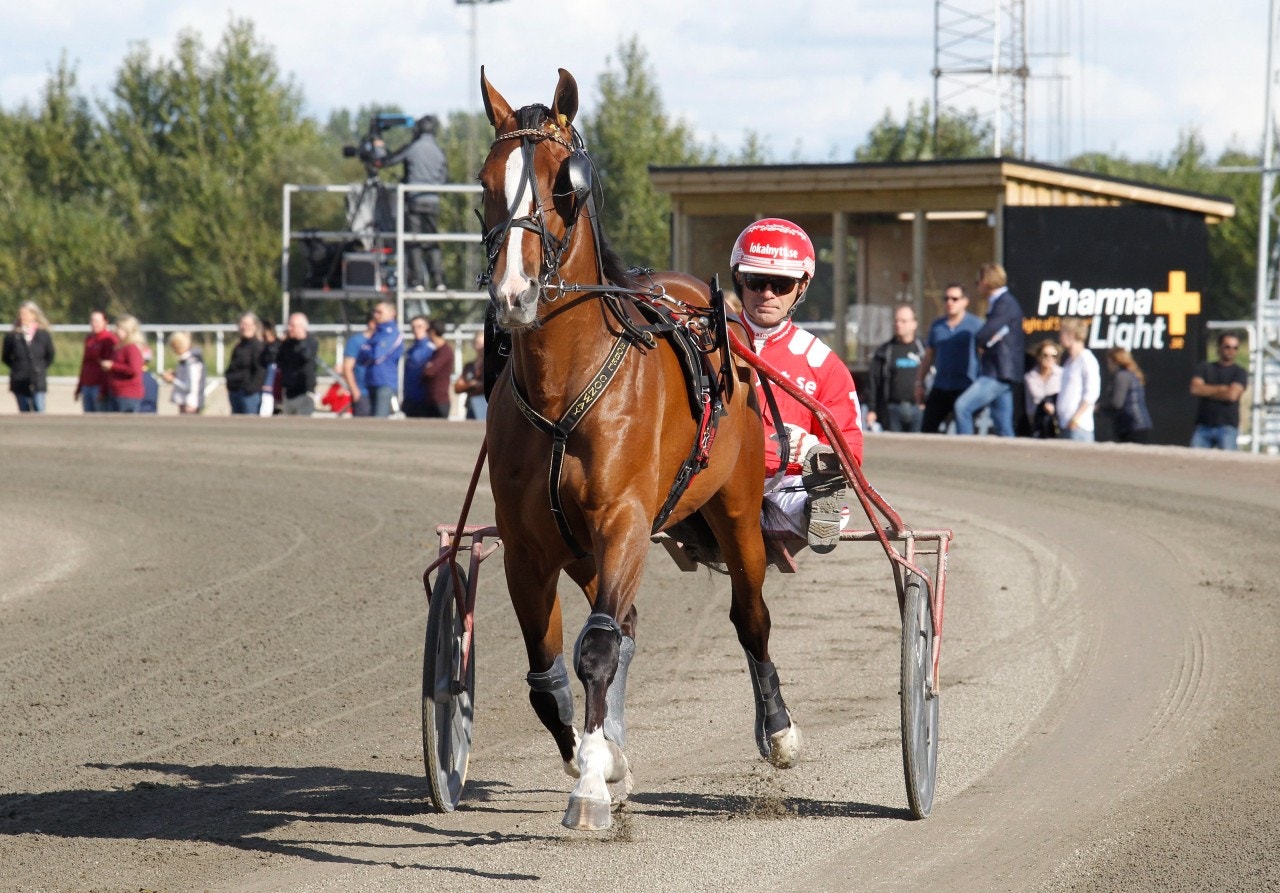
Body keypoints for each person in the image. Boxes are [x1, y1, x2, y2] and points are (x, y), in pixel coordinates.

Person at [731, 217, 863, 554]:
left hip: (783, 486)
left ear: (801, 287)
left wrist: (813, 453)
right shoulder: (705, 344)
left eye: (781, 284)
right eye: (756, 281)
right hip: (715, 480)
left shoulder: (822, 362)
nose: (767, 294)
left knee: (825, 504)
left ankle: (813, 512)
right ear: (738, 279)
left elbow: (851, 448)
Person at [952, 262, 1025, 437]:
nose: (977, 286)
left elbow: (985, 333)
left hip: (998, 372)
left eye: (978, 281)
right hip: (1000, 371)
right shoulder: (999, 302)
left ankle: (967, 451)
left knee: (962, 407)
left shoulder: (1004, 302)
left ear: (986, 281)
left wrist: (980, 344)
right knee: (1003, 425)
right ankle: (1012, 460)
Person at [378, 114, 448, 294]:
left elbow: (388, 161)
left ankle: (418, 282)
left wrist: (380, 151)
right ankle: (439, 281)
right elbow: (443, 177)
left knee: (414, 241)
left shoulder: (413, 147)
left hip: (414, 201)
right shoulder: (438, 150)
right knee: (432, 241)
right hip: (433, 202)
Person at [916, 283, 982, 434]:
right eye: (946, 298)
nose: (949, 302)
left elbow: (985, 355)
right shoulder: (937, 326)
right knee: (927, 430)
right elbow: (928, 357)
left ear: (965, 301)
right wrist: (919, 382)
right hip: (941, 386)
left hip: (966, 387)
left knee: (964, 432)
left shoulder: (976, 325)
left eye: (954, 298)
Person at [867, 304, 925, 432]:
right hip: (892, 409)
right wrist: (872, 409)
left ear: (914, 324)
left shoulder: (923, 350)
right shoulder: (885, 351)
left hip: (918, 409)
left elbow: (932, 376)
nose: (899, 324)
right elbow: (873, 381)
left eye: (904, 321)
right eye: (896, 321)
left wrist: (926, 401)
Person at [1190, 332, 1248, 450]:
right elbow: (1195, 389)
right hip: (1204, 425)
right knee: (1194, 461)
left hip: (1227, 426)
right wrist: (1221, 389)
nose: (1231, 351)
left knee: (1229, 464)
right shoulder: (1205, 368)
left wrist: (1207, 389)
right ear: (1219, 347)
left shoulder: (1239, 372)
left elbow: (1232, 395)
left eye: (1235, 348)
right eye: (1227, 347)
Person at [3, 301, 56, 413]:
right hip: (20, 380)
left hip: (38, 380)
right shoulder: (13, 336)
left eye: (25, 314)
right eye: (21, 314)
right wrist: (19, 367)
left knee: (39, 409)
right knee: (24, 411)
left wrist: (39, 367)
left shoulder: (43, 335)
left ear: (34, 315)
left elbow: (50, 355)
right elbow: (6, 357)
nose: (22, 317)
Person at [1055, 317, 1101, 442]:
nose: (1060, 337)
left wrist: (1076, 419)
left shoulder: (1087, 359)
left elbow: (1092, 393)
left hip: (1078, 428)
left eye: (1062, 333)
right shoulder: (1069, 362)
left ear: (1072, 334)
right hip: (1065, 425)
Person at [356, 300, 404, 418]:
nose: (375, 315)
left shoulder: (392, 333)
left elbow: (377, 356)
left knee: (379, 418)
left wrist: (368, 349)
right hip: (371, 380)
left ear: (392, 313)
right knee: (369, 417)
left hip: (384, 381)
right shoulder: (377, 333)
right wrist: (369, 350)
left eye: (379, 312)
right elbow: (361, 356)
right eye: (375, 312)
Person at [1103, 347, 1153, 444]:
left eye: (1109, 362)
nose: (1108, 365)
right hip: (1138, 425)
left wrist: (1099, 409)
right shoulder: (1131, 375)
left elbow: (1117, 403)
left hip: (1132, 425)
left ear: (1116, 362)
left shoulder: (1121, 376)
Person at [101, 314, 147, 412]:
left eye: (120, 328)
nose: (116, 331)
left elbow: (134, 370)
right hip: (116, 393)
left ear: (129, 331)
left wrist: (113, 366)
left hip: (128, 395)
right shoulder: (119, 348)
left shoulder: (132, 348)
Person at [74, 310, 117, 412]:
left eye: (97, 321)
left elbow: (108, 368)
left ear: (105, 322)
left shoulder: (108, 340)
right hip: (87, 385)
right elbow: (85, 363)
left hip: (99, 386)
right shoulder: (89, 339)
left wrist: (103, 390)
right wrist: (79, 387)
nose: (94, 324)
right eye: (92, 321)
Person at [276, 312, 318, 416]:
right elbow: (276, 359)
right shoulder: (287, 344)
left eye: (292, 326)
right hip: (288, 392)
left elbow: (306, 356)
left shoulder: (311, 342)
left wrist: (300, 340)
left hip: (304, 392)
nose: (290, 328)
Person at [225, 313, 265, 415]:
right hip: (235, 392)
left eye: (247, 324)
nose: (244, 327)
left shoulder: (257, 346)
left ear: (255, 326)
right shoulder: (239, 346)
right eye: (242, 324)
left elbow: (260, 370)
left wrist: (250, 389)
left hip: (248, 395)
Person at [1024, 340, 1063, 439]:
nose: (1049, 358)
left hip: (1058, 424)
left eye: (1053, 355)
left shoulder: (1063, 375)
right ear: (1039, 356)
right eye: (1045, 355)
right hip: (1037, 425)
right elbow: (1029, 403)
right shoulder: (1030, 377)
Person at [162, 331, 206, 414]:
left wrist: (173, 380)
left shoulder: (191, 362)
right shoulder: (187, 361)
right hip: (187, 403)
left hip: (190, 404)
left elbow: (189, 386)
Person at [341, 313, 376, 417]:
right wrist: (355, 391)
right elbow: (347, 368)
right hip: (362, 393)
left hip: (379, 393)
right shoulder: (356, 341)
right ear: (371, 323)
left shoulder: (383, 341)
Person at [401, 315, 435, 418]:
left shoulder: (431, 348)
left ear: (427, 328)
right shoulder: (411, 349)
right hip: (410, 397)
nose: (416, 330)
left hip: (423, 399)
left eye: (419, 326)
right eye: (413, 327)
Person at [420, 321, 455, 418]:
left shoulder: (445, 351)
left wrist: (428, 367)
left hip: (439, 400)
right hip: (431, 399)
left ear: (433, 332)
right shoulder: (436, 351)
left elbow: (430, 371)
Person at [453, 331, 487, 420]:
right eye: (478, 344)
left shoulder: (491, 366)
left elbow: (489, 387)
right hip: (471, 405)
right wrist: (472, 384)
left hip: (486, 406)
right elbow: (458, 387)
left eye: (483, 344)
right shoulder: (470, 366)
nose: (481, 347)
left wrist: (470, 385)